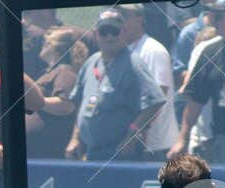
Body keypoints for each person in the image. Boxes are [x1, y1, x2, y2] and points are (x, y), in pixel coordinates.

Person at [67, 9, 164, 161]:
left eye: (114, 31)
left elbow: (155, 102)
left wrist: (132, 135)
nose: (109, 36)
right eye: (104, 31)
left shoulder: (133, 63)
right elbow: (81, 103)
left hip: (120, 153)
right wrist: (75, 138)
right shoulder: (91, 62)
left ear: (124, 32)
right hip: (92, 152)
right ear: (95, 34)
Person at [173, 0, 225, 165]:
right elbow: (195, 101)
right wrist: (182, 139)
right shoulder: (210, 52)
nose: (212, 22)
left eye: (218, 17)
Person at [118, 3, 176, 158]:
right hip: (131, 143)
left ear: (139, 19)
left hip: (155, 146)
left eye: (124, 17)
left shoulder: (153, 51)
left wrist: (135, 134)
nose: (120, 22)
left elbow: (158, 97)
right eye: (117, 17)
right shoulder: (121, 51)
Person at [26, 26, 86, 159]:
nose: (42, 46)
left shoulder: (65, 72)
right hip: (37, 152)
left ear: (56, 48)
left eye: (46, 43)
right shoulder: (50, 72)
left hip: (49, 151)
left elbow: (66, 105)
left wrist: (35, 101)